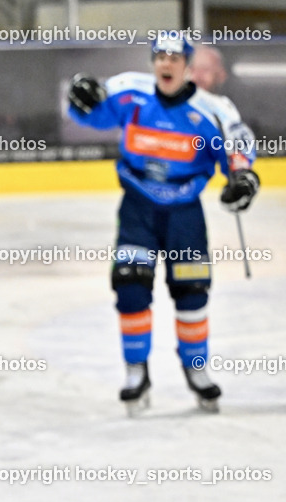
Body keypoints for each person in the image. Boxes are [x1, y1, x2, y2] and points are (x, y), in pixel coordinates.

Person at [67, 32, 259, 414]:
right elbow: (94, 111)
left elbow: (237, 152)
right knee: (130, 286)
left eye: (174, 57)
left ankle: (196, 370)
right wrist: (82, 100)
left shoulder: (213, 111)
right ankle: (135, 372)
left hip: (184, 214)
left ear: (187, 65)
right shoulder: (129, 93)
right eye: (159, 56)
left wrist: (242, 179)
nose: (165, 64)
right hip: (138, 209)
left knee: (191, 293)